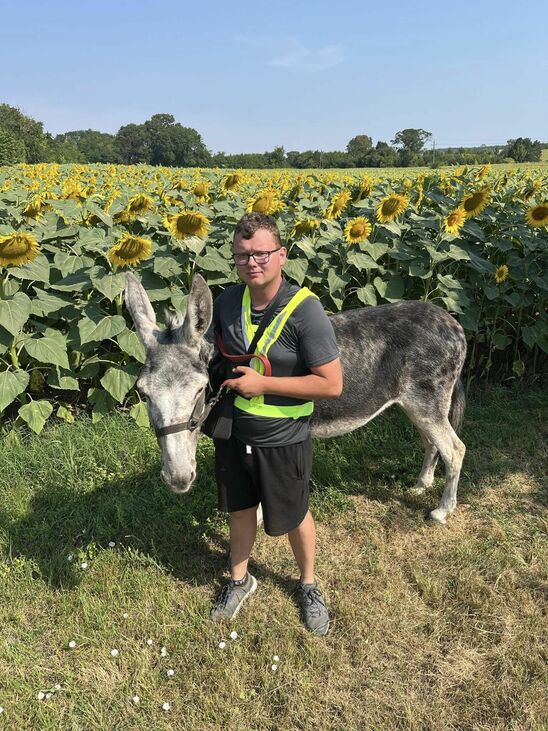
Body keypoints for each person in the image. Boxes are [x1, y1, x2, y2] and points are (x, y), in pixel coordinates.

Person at [206, 212, 343, 636]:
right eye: (242, 255)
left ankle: (307, 585)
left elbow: (332, 384)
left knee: (295, 513)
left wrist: (263, 382)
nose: (252, 263)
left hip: (283, 436)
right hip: (233, 430)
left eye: (261, 254)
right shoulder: (228, 300)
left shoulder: (307, 311)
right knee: (240, 507)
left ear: (281, 255)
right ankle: (239, 579)